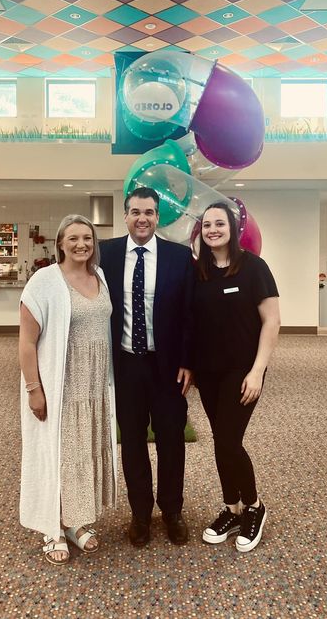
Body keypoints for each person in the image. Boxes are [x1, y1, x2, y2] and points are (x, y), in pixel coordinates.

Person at [19, 214, 117, 565]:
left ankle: (74, 522)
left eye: (87, 238)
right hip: (61, 384)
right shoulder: (44, 281)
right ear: (60, 243)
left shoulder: (99, 276)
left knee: (83, 454)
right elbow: (27, 343)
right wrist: (34, 389)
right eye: (73, 238)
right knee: (59, 455)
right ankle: (52, 528)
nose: (81, 244)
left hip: (93, 387)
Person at [100, 187, 194, 547]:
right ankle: (140, 513)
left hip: (167, 367)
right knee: (134, 441)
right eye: (136, 212)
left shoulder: (179, 257)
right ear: (125, 216)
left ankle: (172, 510)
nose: (142, 218)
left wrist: (188, 361)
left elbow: (190, 315)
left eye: (149, 212)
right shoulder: (105, 253)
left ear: (158, 217)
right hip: (126, 365)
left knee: (172, 440)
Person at [193, 202, 280, 553]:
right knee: (220, 439)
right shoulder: (198, 270)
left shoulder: (253, 267)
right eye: (207, 224)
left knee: (229, 441)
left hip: (243, 371)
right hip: (208, 373)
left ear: (232, 227)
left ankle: (255, 507)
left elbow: (271, 321)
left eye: (220, 223)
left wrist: (257, 371)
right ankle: (232, 508)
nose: (213, 229)